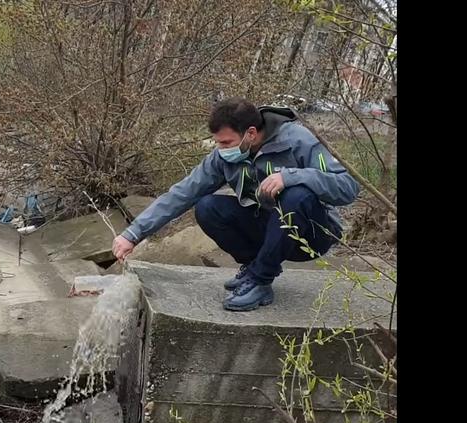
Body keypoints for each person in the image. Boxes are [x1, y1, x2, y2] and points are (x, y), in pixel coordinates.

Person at [112, 97, 359, 311]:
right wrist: (133, 234)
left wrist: (291, 176)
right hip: (269, 228)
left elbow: (348, 187)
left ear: (250, 133)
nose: (220, 150)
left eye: (226, 143)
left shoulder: (299, 140)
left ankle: (261, 281)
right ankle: (254, 270)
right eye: (217, 143)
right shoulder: (225, 157)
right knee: (207, 207)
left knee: (297, 196)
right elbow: (183, 193)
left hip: (313, 234)